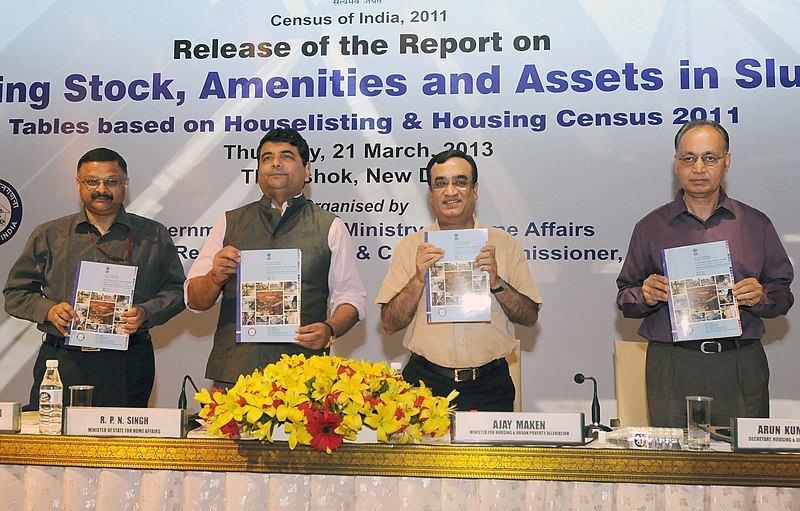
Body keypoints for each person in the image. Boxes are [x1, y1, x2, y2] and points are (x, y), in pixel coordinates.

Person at [616, 119, 794, 428]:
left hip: (739, 362)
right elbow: (625, 296)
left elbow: (783, 294)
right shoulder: (650, 227)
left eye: (710, 157)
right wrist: (644, 295)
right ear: (677, 165)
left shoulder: (755, 224)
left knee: (746, 467)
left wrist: (761, 296)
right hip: (672, 363)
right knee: (673, 468)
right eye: (689, 158)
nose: (699, 168)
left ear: (727, 163)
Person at [4, 147, 186, 408]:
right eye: (92, 181)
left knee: (123, 446)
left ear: (126, 184)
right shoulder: (49, 234)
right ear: (78, 185)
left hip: (128, 362)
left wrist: (146, 312)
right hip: (63, 361)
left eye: (111, 181)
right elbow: (15, 293)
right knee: (55, 445)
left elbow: (178, 291)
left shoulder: (153, 235)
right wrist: (49, 310)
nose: (102, 188)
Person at [185, 128, 366, 388]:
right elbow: (194, 300)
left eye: (287, 156)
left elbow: (352, 298)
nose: (276, 163)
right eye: (266, 157)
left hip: (304, 377)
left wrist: (330, 328)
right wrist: (215, 277)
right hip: (235, 376)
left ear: (307, 171)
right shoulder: (229, 222)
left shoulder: (330, 226)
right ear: (258, 171)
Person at [376, 149, 542, 411]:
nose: (450, 191)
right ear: (431, 194)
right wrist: (418, 279)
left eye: (460, 182)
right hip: (424, 386)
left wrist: (497, 283)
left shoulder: (505, 245)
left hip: (490, 386)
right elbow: (388, 323)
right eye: (440, 183)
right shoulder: (410, 247)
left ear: (475, 190)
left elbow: (530, 317)